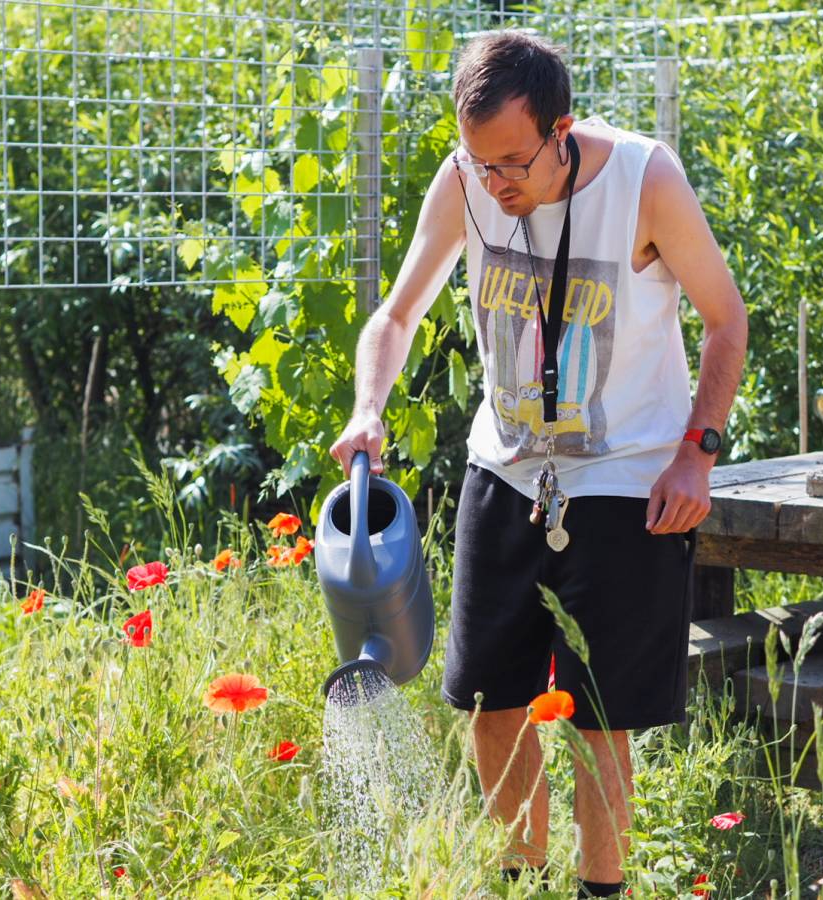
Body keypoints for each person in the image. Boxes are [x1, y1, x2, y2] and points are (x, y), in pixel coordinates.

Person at [329, 29, 747, 899]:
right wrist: (369, 408)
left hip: (624, 482)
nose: (495, 182)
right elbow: (396, 316)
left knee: (599, 722)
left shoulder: (644, 180)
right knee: (489, 705)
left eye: (513, 162)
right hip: (508, 469)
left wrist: (696, 454)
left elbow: (726, 320)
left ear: (562, 129)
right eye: (481, 164)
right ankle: (522, 880)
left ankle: (604, 892)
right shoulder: (466, 181)